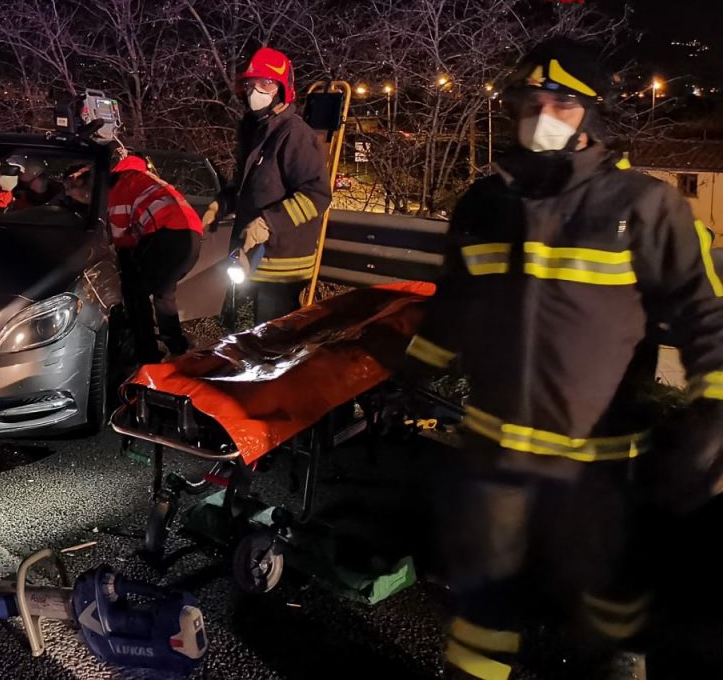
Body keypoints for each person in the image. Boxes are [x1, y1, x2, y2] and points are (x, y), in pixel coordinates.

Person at [402, 40, 723, 679]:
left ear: (592, 116)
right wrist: (411, 373)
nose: (539, 115)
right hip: (493, 461)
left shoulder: (643, 206)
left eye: (560, 104)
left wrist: (714, 403)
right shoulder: (483, 205)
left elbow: (703, 310)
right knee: (482, 610)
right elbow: (453, 305)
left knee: (607, 606)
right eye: (527, 102)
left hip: (596, 471)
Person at [203, 47, 331, 323]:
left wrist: (267, 224)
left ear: (283, 89)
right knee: (241, 333)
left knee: (274, 344)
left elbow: (318, 194)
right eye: (249, 84)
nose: (254, 91)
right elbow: (250, 185)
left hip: (283, 266)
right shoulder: (258, 130)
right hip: (252, 261)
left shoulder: (294, 134)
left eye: (265, 83)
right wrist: (221, 204)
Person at [106, 152, 203, 362]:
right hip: (192, 236)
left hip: (166, 234)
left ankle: (146, 353)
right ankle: (176, 346)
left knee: (134, 291)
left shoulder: (121, 184)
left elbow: (120, 235)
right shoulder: (148, 180)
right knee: (163, 290)